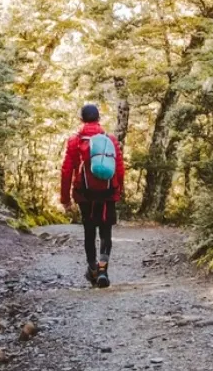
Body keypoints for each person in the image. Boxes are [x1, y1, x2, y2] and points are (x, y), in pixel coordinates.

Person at [60, 103, 123, 288]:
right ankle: (103, 269)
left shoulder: (74, 141)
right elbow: (119, 167)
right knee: (106, 231)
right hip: (108, 192)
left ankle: (93, 268)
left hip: (84, 194)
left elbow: (66, 171)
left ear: (81, 119)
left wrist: (65, 199)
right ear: (98, 119)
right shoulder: (109, 138)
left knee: (89, 231)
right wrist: (118, 190)